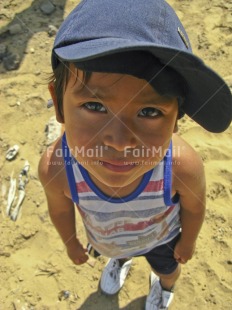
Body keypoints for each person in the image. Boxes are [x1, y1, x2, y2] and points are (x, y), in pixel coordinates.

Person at [38, 0, 232, 309]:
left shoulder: (182, 165)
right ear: (59, 104)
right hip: (107, 238)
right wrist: (71, 241)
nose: (120, 141)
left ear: (176, 120)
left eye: (150, 111)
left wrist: (188, 241)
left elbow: (194, 208)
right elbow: (60, 209)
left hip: (163, 240)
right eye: (95, 106)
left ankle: (165, 287)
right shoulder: (56, 168)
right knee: (118, 250)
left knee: (166, 270)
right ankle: (119, 260)